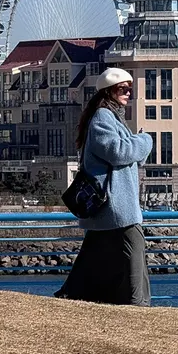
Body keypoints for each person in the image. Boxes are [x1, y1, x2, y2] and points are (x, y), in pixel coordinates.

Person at [54, 67, 153, 305]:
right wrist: (145, 140)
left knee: (95, 260)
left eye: (130, 89)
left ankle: (75, 296)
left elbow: (126, 153)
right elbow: (118, 152)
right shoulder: (103, 117)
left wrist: (135, 143)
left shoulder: (110, 116)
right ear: (108, 91)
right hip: (116, 207)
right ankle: (137, 304)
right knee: (134, 250)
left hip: (109, 208)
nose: (128, 93)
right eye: (123, 89)